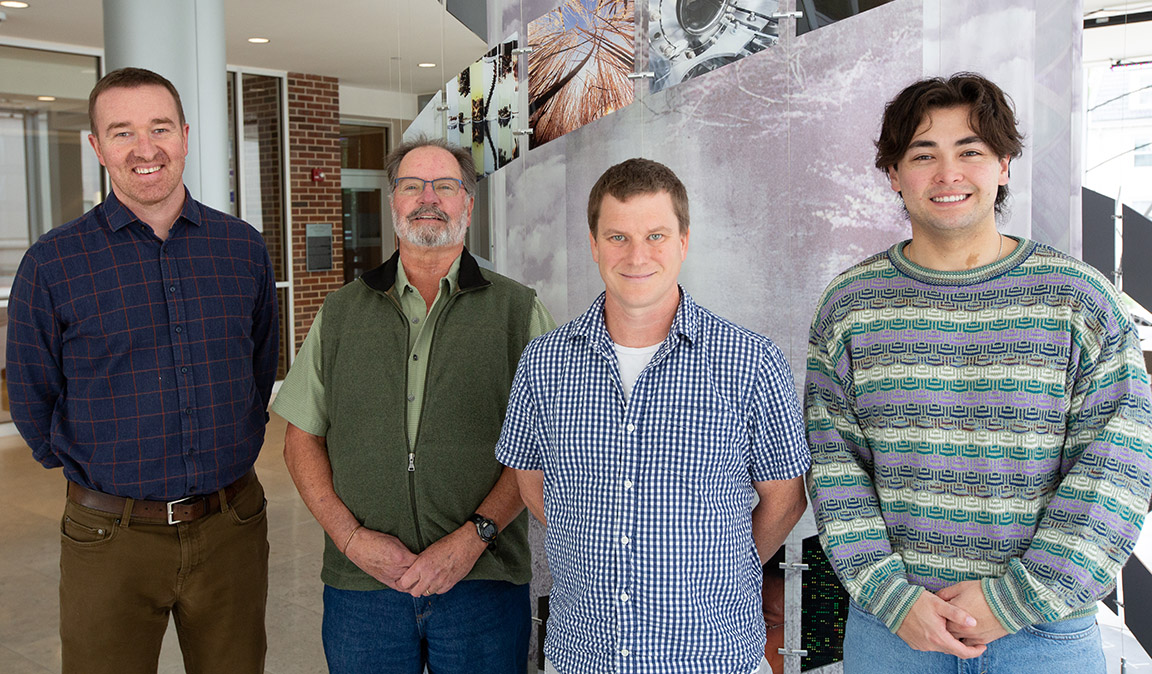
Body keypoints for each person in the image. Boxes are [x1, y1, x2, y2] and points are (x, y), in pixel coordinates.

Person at [805, 72, 1152, 673]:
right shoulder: (850, 305)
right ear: (893, 174)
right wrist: (893, 598)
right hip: (896, 633)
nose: (948, 174)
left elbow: (1116, 471)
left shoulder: (1080, 299)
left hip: (1044, 637)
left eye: (971, 151)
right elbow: (835, 467)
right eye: (923, 155)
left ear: (1005, 165)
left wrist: (1014, 601)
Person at [6, 67, 279, 674]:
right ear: (97, 147)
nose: (145, 148)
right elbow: (30, 396)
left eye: (159, 127)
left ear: (184, 135)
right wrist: (96, 475)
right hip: (110, 539)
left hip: (231, 526)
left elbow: (259, 368)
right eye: (122, 132)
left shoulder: (241, 249)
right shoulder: (53, 264)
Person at [496, 158, 811, 674]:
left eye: (656, 235)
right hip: (583, 656)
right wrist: (591, 536)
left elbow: (786, 498)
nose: (637, 255)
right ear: (594, 244)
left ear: (684, 241)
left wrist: (718, 568)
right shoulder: (544, 362)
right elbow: (533, 485)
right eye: (617, 237)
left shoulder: (751, 360)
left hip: (713, 656)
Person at [272, 136, 555, 673]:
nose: (429, 197)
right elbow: (299, 439)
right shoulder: (340, 312)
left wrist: (475, 537)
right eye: (412, 185)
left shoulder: (521, 311)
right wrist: (351, 540)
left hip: (483, 582)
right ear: (394, 201)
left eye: (445, 186)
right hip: (363, 588)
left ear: (468, 204)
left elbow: (542, 450)